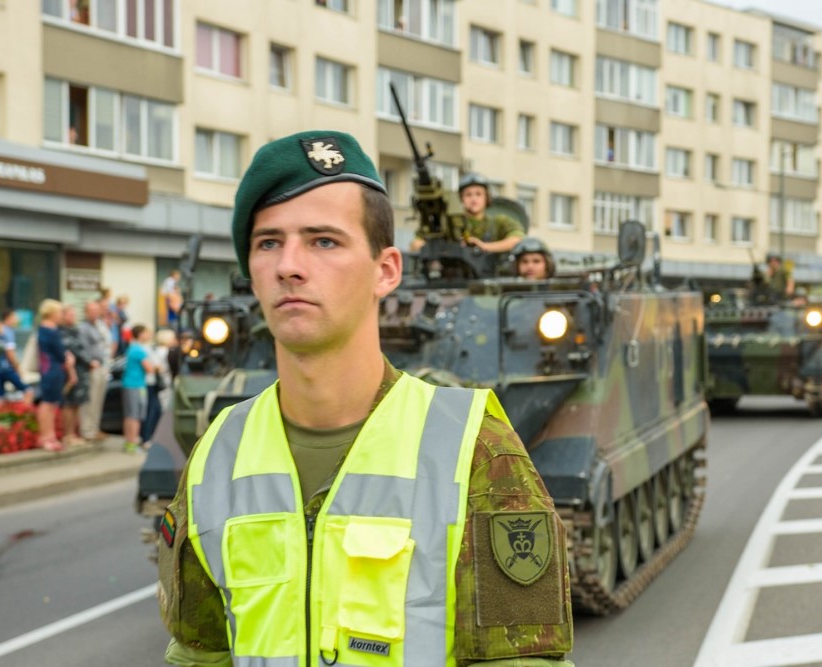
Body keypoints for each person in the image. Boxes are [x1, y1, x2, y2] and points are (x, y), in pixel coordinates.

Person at [156, 130, 573, 666]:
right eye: (268, 243)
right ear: (252, 275)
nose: (289, 265)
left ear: (386, 271)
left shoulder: (473, 450)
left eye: (323, 241)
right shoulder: (217, 456)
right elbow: (200, 655)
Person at [409, 172, 526, 254]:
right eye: (468, 195)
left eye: (478, 194)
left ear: (487, 197)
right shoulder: (449, 222)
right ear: (461, 199)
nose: (473, 199)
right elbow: (415, 244)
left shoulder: (499, 222)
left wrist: (484, 246)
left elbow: (518, 239)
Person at [36, 299, 71, 452]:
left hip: (50, 369)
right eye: (59, 312)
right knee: (48, 404)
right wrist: (67, 358)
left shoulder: (45, 329)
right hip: (52, 370)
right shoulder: (50, 330)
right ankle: (47, 437)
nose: (61, 315)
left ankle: (49, 436)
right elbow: (60, 353)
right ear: (51, 313)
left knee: (51, 404)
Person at [78, 300, 112, 441]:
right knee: (90, 400)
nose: (94, 313)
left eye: (96, 311)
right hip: (92, 369)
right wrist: (89, 362)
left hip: (103, 366)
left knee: (98, 400)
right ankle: (87, 430)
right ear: (86, 312)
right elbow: (81, 348)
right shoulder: (83, 327)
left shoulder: (99, 325)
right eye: (91, 311)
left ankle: (95, 428)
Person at [58, 304, 92, 447]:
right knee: (69, 403)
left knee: (77, 403)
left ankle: (74, 434)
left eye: (74, 314)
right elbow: (73, 350)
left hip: (81, 371)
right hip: (70, 372)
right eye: (70, 314)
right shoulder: (61, 332)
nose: (73, 317)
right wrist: (89, 362)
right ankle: (68, 435)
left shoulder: (75, 330)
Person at [121, 324, 154, 453]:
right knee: (135, 416)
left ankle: (128, 442)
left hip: (129, 384)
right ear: (140, 335)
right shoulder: (139, 350)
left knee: (129, 415)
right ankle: (133, 443)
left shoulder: (132, 347)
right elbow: (149, 369)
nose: (149, 335)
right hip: (137, 385)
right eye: (146, 332)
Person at [0, 310, 34, 404]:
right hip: (7, 368)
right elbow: (10, 353)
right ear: (8, 318)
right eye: (15, 317)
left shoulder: (0, 330)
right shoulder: (7, 332)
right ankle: (25, 411)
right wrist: (17, 368)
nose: (17, 319)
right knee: (28, 391)